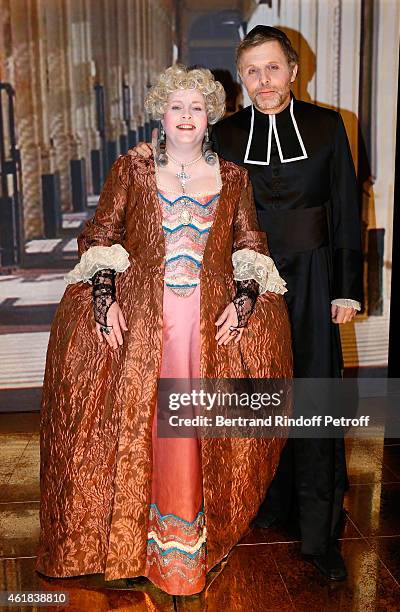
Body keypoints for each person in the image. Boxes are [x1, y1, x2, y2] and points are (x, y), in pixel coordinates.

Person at [36, 65, 292, 596]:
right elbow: (102, 233)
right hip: (145, 323)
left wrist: (243, 303)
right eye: (177, 107)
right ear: (161, 112)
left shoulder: (234, 177)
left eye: (196, 108)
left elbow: (250, 245)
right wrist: (104, 300)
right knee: (141, 430)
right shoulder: (131, 168)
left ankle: (187, 547)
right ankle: (134, 544)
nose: (186, 117)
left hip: (205, 327)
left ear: (209, 117)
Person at [211, 26, 363, 581]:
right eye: (252, 71)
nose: (263, 81)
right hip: (248, 286)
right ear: (242, 77)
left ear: (294, 71)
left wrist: (347, 288)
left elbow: (346, 207)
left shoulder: (327, 127)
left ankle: (320, 534)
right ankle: (264, 506)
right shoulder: (225, 135)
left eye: (273, 68)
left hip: (317, 278)